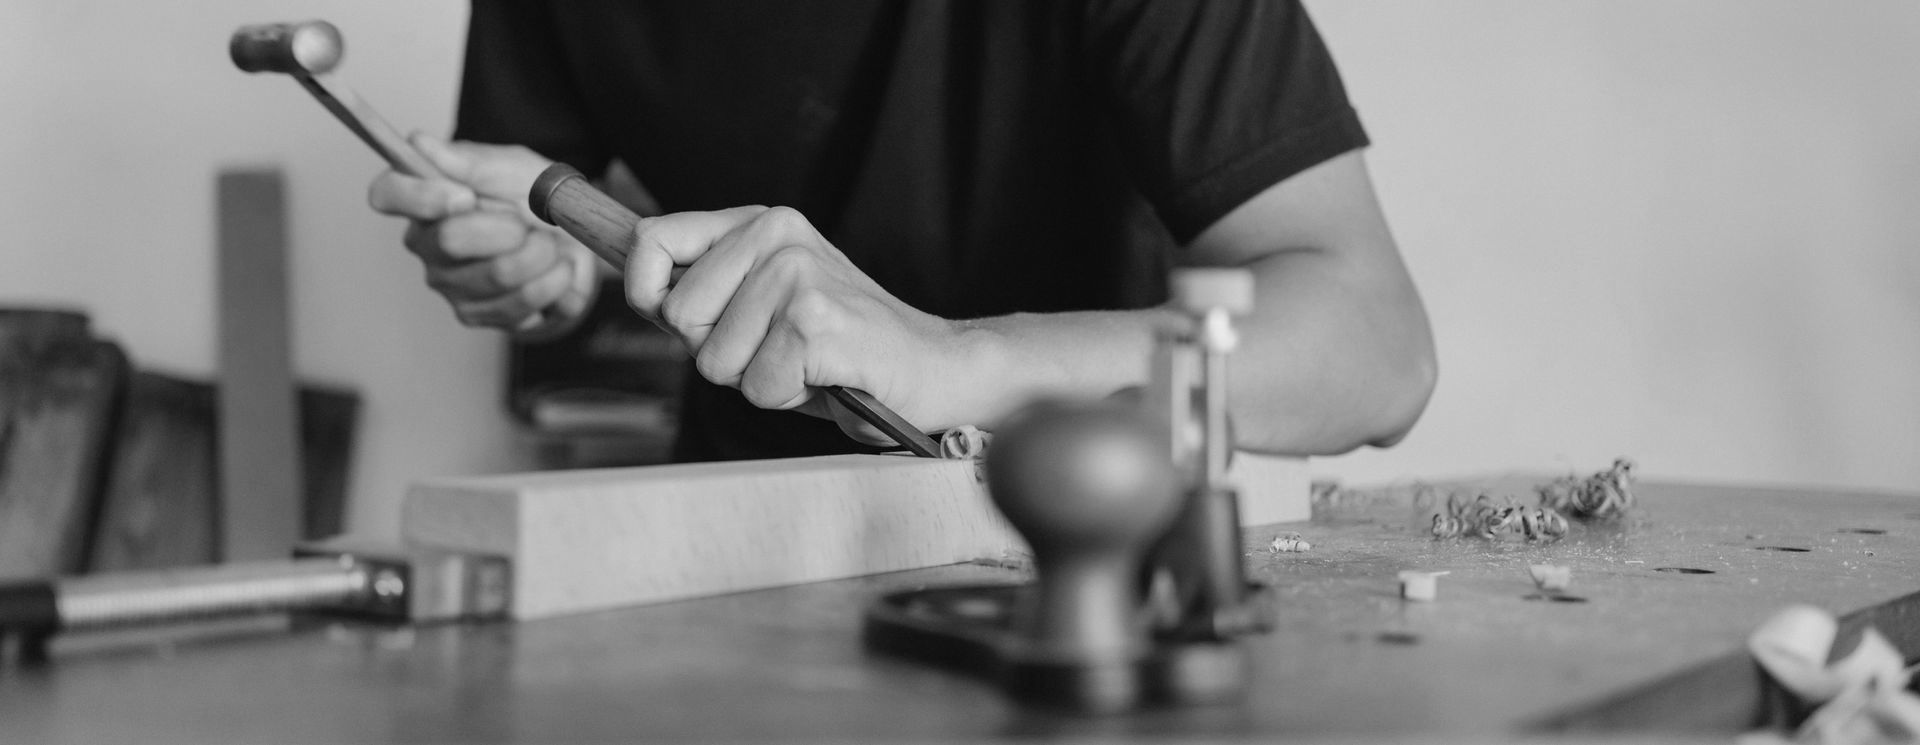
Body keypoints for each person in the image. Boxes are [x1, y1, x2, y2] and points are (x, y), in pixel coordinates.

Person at [368, 0, 1437, 463]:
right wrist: (542, 278)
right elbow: (544, 230)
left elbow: (1377, 350)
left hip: (1080, 549)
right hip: (737, 540)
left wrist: (957, 360)